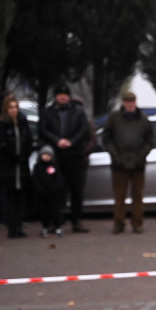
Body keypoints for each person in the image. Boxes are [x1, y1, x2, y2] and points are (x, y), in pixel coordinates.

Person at [38, 84, 91, 233]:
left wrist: (72, 141)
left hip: (74, 155)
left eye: (65, 94)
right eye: (60, 94)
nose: (63, 96)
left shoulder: (78, 112)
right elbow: (43, 130)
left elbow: (84, 130)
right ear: (55, 96)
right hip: (56, 156)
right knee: (56, 190)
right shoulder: (47, 113)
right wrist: (57, 141)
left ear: (69, 96)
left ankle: (77, 221)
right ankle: (56, 221)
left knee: (77, 190)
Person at [102, 92, 154, 234]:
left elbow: (150, 140)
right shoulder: (114, 118)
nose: (131, 106)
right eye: (128, 104)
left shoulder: (143, 120)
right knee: (120, 195)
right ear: (123, 104)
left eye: (133, 104)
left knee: (138, 195)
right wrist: (115, 155)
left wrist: (141, 155)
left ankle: (137, 223)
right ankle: (119, 223)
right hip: (119, 163)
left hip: (138, 163)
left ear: (135, 103)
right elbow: (106, 138)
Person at [0, 94, 33, 238]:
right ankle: (12, 228)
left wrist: (24, 155)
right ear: (6, 109)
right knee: (11, 199)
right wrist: (12, 156)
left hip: (22, 166)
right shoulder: (2, 125)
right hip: (9, 167)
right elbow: (1, 145)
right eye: (10, 107)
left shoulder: (23, 123)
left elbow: (28, 141)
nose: (13, 110)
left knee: (20, 198)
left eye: (15, 107)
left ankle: (19, 226)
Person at [32, 145, 65, 238]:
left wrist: (53, 189)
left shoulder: (55, 166)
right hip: (42, 195)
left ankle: (57, 227)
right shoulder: (37, 167)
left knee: (55, 211)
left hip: (53, 194)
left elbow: (59, 180)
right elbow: (35, 179)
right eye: (44, 155)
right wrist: (41, 189)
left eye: (48, 155)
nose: (46, 157)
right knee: (44, 212)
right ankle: (45, 227)